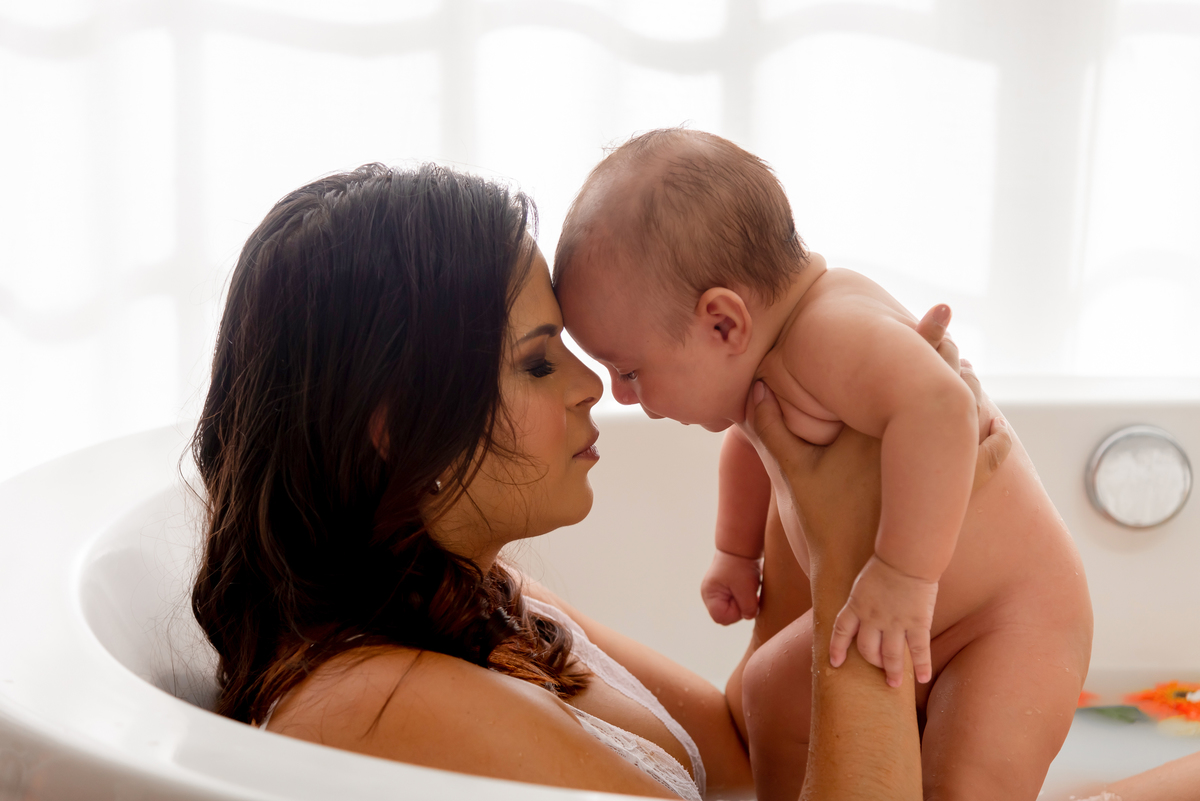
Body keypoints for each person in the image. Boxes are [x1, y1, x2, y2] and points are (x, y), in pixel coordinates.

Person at [188, 162, 1007, 799]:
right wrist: (869, 576)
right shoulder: (378, 707)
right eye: (538, 359)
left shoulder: (466, 596)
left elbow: (745, 755)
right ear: (397, 427)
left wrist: (824, 458)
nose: (592, 385)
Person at [553, 127, 1094, 800]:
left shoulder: (831, 330)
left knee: (966, 785)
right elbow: (754, 441)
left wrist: (903, 575)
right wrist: (735, 550)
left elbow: (942, 408)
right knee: (769, 689)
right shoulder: (770, 357)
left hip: (1003, 618)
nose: (622, 395)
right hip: (905, 608)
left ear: (723, 323)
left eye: (629, 369)